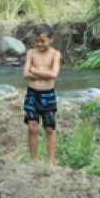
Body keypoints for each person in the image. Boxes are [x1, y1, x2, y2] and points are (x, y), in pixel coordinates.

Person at [22, 24, 61, 165]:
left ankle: (50, 162)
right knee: (32, 126)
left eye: (42, 41)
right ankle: (33, 161)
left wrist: (35, 71)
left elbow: (54, 74)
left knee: (49, 128)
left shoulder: (55, 54)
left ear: (51, 39)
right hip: (32, 93)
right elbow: (26, 74)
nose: (39, 44)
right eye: (37, 41)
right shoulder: (31, 53)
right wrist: (44, 74)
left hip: (48, 94)